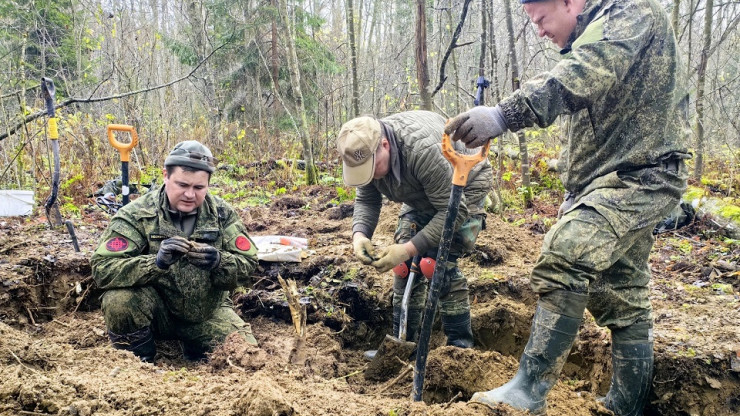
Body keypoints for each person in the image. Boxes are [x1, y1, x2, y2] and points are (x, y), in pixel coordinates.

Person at [444, 0, 690, 414]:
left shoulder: (630, 13)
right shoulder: (593, 30)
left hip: (641, 176)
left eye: (541, 19)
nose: (539, 31)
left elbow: (583, 72)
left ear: (569, 2)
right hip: (607, 181)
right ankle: (626, 406)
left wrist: (505, 115)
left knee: (567, 251)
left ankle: (528, 392)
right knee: (622, 294)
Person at [337, 111, 493, 355]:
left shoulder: (422, 151)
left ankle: (459, 350)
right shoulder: (366, 152)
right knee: (403, 266)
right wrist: (359, 236)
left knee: (436, 263)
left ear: (385, 145)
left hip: (464, 186)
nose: (370, 175)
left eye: (371, 167)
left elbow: (452, 211)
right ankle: (403, 344)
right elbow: (367, 199)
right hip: (421, 191)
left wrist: (409, 248)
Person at [91, 141, 259, 362]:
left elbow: (249, 264)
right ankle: (138, 362)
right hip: (155, 314)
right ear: (165, 176)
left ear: (208, 184)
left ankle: (195, 347)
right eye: (182, 185)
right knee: (118, 301)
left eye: (199, 188)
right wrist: (156, 263)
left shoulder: (221, 214)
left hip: (207, 313)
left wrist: (219, 262)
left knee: (246, 355)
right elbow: (102, 269)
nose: (190, 194)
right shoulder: (137, 215)